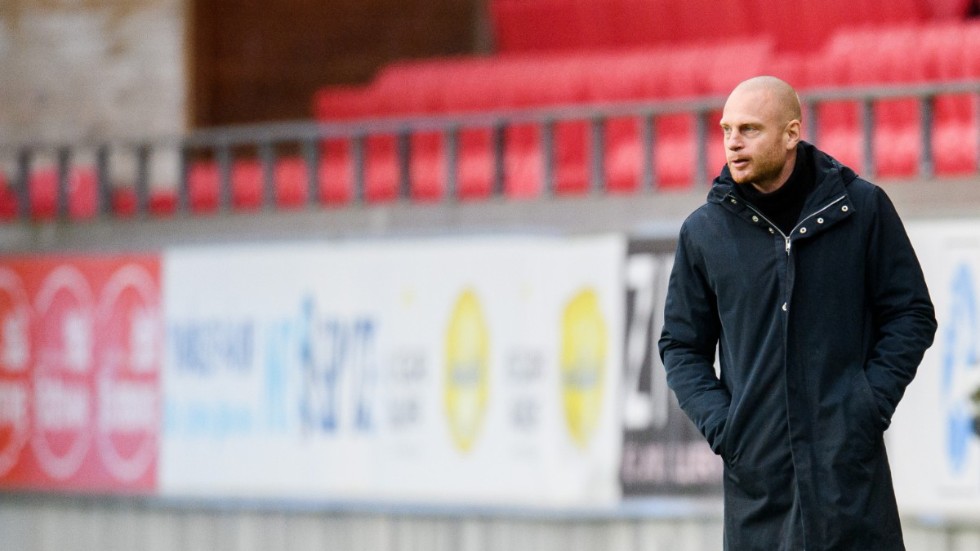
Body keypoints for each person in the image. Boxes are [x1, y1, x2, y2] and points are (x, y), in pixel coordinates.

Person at [658, 76, 937, 550]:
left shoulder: (862, 208)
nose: (733, 142)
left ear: (791, 134)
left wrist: (867, 404)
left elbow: (911, 313)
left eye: (749, 129)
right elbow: (681, 346)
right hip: (759, 493)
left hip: (850, 485)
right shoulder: (704, 232)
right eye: (726, 130)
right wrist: (728, 428)